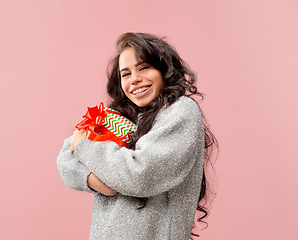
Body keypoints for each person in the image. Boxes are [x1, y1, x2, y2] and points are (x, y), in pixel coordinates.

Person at [57, 32, 218, 240]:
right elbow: (66, 154)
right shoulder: (120, 117)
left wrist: (87, 147)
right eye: (125, 74)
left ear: (163, 70)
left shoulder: (180, 112)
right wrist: (90, 179)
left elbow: (140, 175)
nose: (135, 79)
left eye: (143, 68)